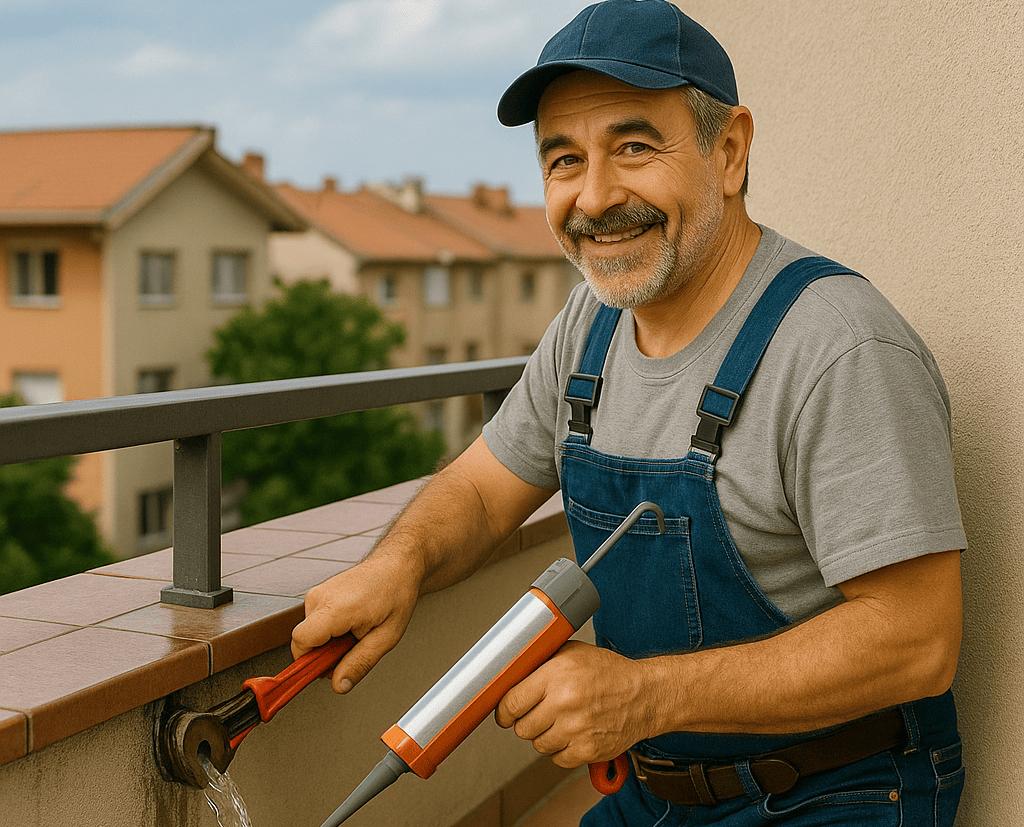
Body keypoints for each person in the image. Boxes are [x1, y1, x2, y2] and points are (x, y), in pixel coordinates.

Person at [292, 1, 967, 823]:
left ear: (729, 151)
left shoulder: (838, 347)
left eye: (635, 147)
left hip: (835, 789)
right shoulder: (591, 328)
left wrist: (644, 697)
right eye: (564, 160)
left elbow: (917, 638)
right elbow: (477, 489)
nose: (596, 196)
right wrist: (397, 565)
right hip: (655, 790)